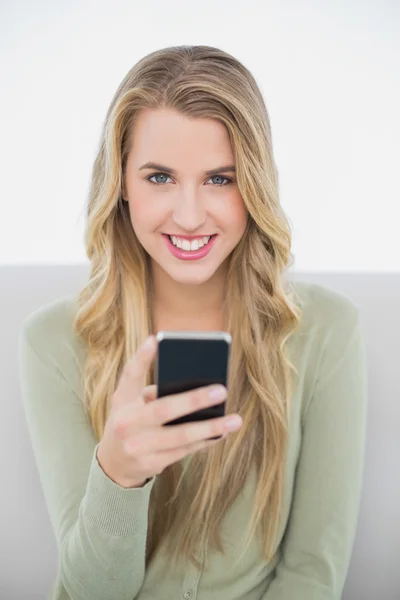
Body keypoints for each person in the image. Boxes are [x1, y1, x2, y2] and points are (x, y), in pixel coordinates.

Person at [18, 45, 367, 600]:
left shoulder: (327, 331)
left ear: (254, 187)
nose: (188, 215)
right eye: (159, 177)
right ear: (122, 187)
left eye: (220, 179)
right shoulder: (54, 342)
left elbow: (312, 575)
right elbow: (90, 592)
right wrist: (117, 474)